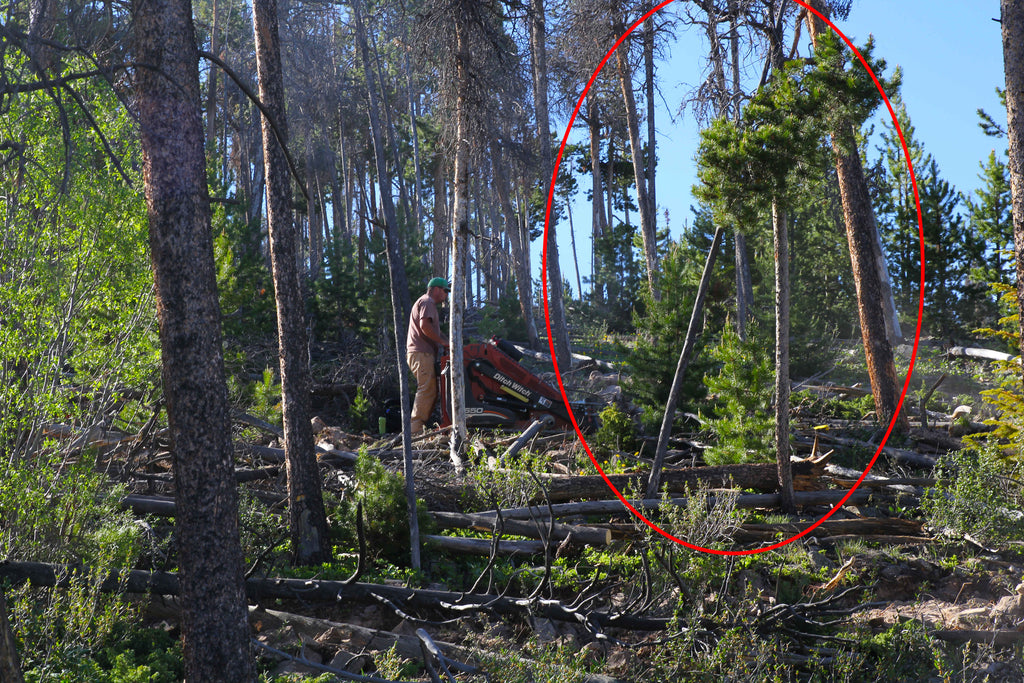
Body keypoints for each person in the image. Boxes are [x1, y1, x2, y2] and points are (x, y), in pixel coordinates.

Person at [406, 276, 450, 434]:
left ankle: (420, 429)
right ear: (437, 289)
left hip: (420, 353)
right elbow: (425, 326)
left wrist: (447, 341)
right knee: (427, 389)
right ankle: (414, 431)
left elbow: (433, 330)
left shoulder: (425, 302)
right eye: (445, 291)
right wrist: (444, 343)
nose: (446, 295)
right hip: (421, 353)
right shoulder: (428, 301)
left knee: (432, 390)